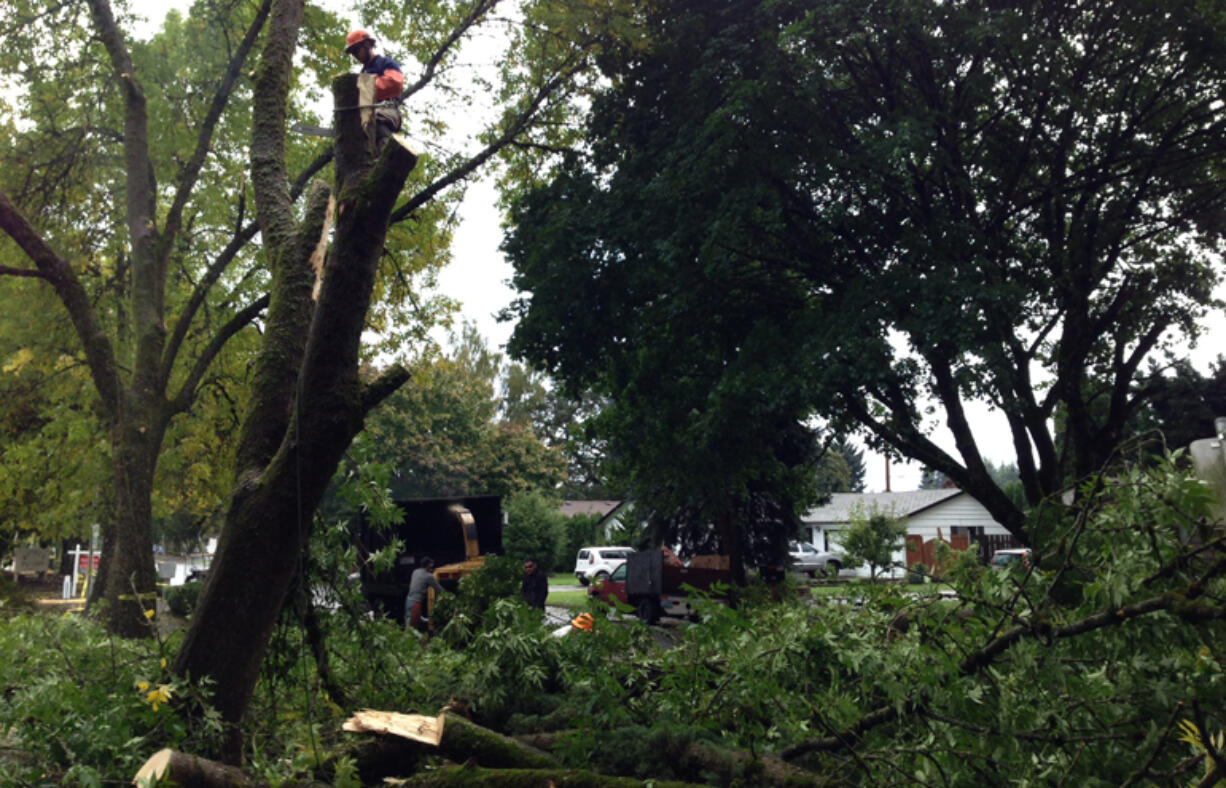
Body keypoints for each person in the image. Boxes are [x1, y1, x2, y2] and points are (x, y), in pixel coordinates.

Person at [344, 30, 404, 148]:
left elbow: (395, 83)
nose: (355, 55)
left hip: (386, 109)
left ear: (367, 45)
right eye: (353, 53)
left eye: (356, 50)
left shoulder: (385, 63)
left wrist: (367, 86)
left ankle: (389, 148)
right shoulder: (362, 74)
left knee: (374, 121)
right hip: (368, 112)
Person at [405, 556, 444, 632]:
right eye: (431, 565)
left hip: (408, 601)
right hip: (416, 603)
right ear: (428, 565)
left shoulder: (415, 572)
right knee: (412, 629)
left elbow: (419, 584)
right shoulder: (428, 576)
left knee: (409, 622)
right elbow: (439, 590)